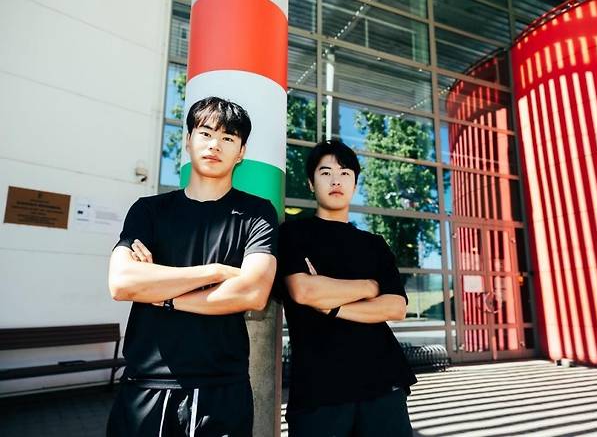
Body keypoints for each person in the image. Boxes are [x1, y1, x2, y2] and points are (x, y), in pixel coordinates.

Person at [106, 96, 278, 437]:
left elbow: (253, 292)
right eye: (206, 133)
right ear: (188, 140)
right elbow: (123, 282)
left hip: (221, 388)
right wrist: (216, 272)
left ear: (241, 152)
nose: (215, 145)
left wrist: (162, 294)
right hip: (146, 382)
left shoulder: (257, 213)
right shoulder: (149, 210)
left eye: (228, 138)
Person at [277, 139, 417, 436]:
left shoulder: (374, 244)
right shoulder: (292, 234)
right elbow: (305, 291)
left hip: (383, 381)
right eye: (325, 172)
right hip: (319, 390)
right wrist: (369, 287)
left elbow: (395, 307)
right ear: (311, 183)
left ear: (355, 184)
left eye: (344, 173)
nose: (336, 180)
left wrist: (333, 306)